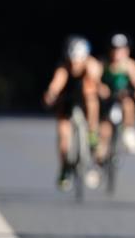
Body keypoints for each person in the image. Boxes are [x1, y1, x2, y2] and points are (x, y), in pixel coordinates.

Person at [43, 36, 103, 190]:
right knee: (63, 136)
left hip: (86, 101)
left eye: (78, 60)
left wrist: (100, 88)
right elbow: (56, 83)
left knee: (91, 99)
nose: (75, 64)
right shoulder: (63, 68)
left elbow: (96, 82)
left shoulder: (91, 65)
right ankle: (64, 168)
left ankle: (92, 134)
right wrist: (51, 94)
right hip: (68, 102)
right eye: (72, 60)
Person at [99, 33, 135, 156]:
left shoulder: (130, 65)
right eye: (114, 49)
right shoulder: (104, 64)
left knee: (128, 104)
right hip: (107, 100)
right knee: (104, 131)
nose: (117, 53)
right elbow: (94, 80)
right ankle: (98, 163)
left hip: (123, 97)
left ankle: (129, 130)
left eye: (121, 49)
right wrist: (100, 88)